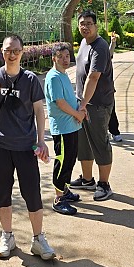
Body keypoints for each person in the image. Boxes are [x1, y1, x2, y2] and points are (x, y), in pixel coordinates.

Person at [0, 34, 56, 260]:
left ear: (22, 52)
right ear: (2, 52)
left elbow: (39, 111)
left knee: (32, 192)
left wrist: (41, 140)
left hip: (25, 146)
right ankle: (7, 236)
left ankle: (38, 239)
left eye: (16, 50)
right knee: (2, 192)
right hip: (1, 144)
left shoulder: (30, 79)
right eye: (7, 50)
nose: (11, 54)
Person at [70, 11, 114, 201]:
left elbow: (93, 76)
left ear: (96, 26)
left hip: (97, 105)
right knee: (84, 143)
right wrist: (80, 102)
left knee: (99, 142)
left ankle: (104, 184)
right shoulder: (83, 43)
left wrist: (83, 104)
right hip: (83, 103)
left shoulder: (100, 47)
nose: (85, 27)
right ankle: (87, 180)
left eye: (89, 23)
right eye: (82, 23)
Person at [44, 42, 87, 216]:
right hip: (62, 128)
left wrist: (81, 109)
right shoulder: (54, 77)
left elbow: (69, 98)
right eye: (60, 57)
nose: (65, 60)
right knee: (62, 162)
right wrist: (77, 114)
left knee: (70, 160)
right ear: (53, 58)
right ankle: (58, 198)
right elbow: (60, 103)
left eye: (67, 56)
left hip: (71, 126)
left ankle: (65, 190)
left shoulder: (63, 74)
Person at [106, 32, 123, 142]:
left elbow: (109, 53)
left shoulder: (105, 58)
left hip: (108, 90)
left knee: (111, 111)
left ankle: (115, 132)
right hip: (93, 92)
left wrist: (113, 43)